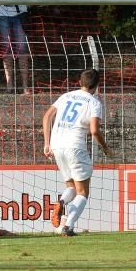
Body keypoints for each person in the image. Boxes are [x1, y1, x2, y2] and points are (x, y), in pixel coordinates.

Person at [43, 68, 113, 237]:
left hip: (57, 145)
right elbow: (95, 130)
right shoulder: (94, 102)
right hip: (75, 146)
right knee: (83, 192)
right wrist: (104, 147)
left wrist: (47, 143)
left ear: (80, 82)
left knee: (71, 186)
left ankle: (61, 201)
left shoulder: (65, 96)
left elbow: (47, 117)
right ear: (97, 85)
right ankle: (68, 226)